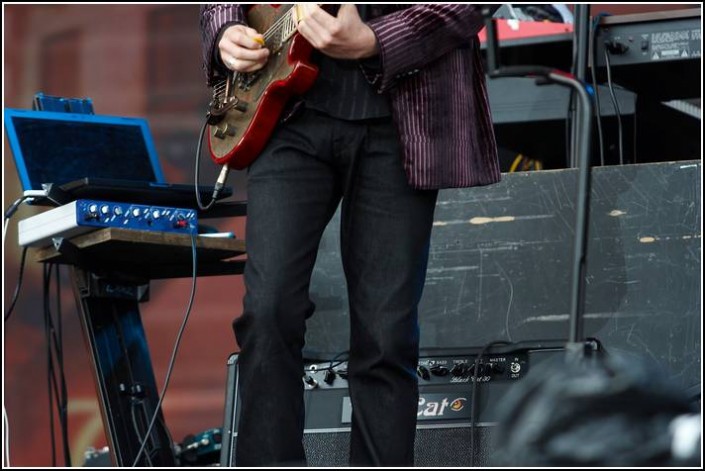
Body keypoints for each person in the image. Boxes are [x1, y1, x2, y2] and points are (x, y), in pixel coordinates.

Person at [199, 4, 500, 466]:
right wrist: (225, 30)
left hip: (403, 115)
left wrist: (381, 40)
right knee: (269, 309)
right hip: (288, 113)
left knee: (386, 336)